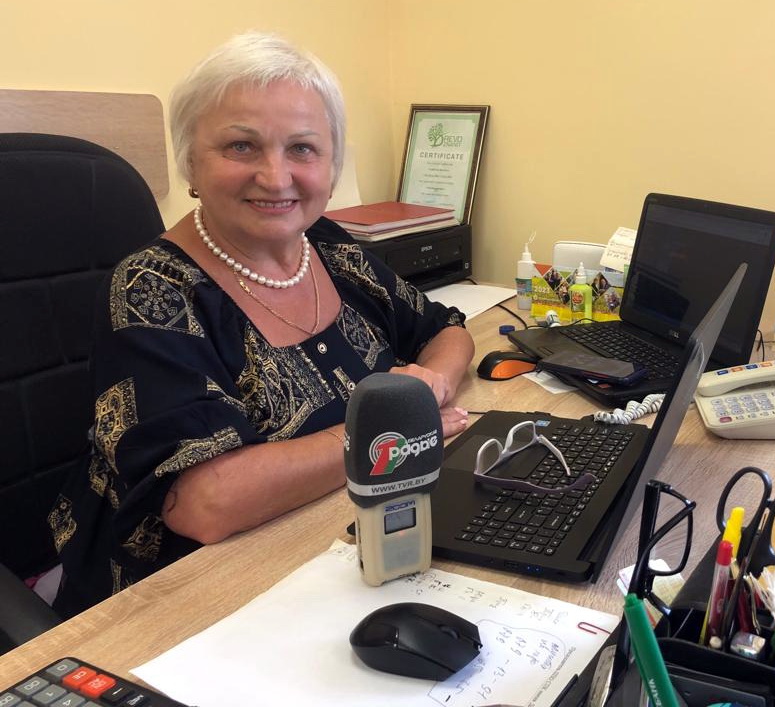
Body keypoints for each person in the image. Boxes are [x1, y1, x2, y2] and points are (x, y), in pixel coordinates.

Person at [49, 32, 474, 617]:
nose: (276, 178)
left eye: (303, 148)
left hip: (340, 540)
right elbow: (207, 502)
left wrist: (431, 386)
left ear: (331, 163)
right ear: (190, 161)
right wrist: (388, 433)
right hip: (187, 597)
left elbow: (446, 329)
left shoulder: (327, 244)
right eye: (241, 146)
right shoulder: (152, 289)